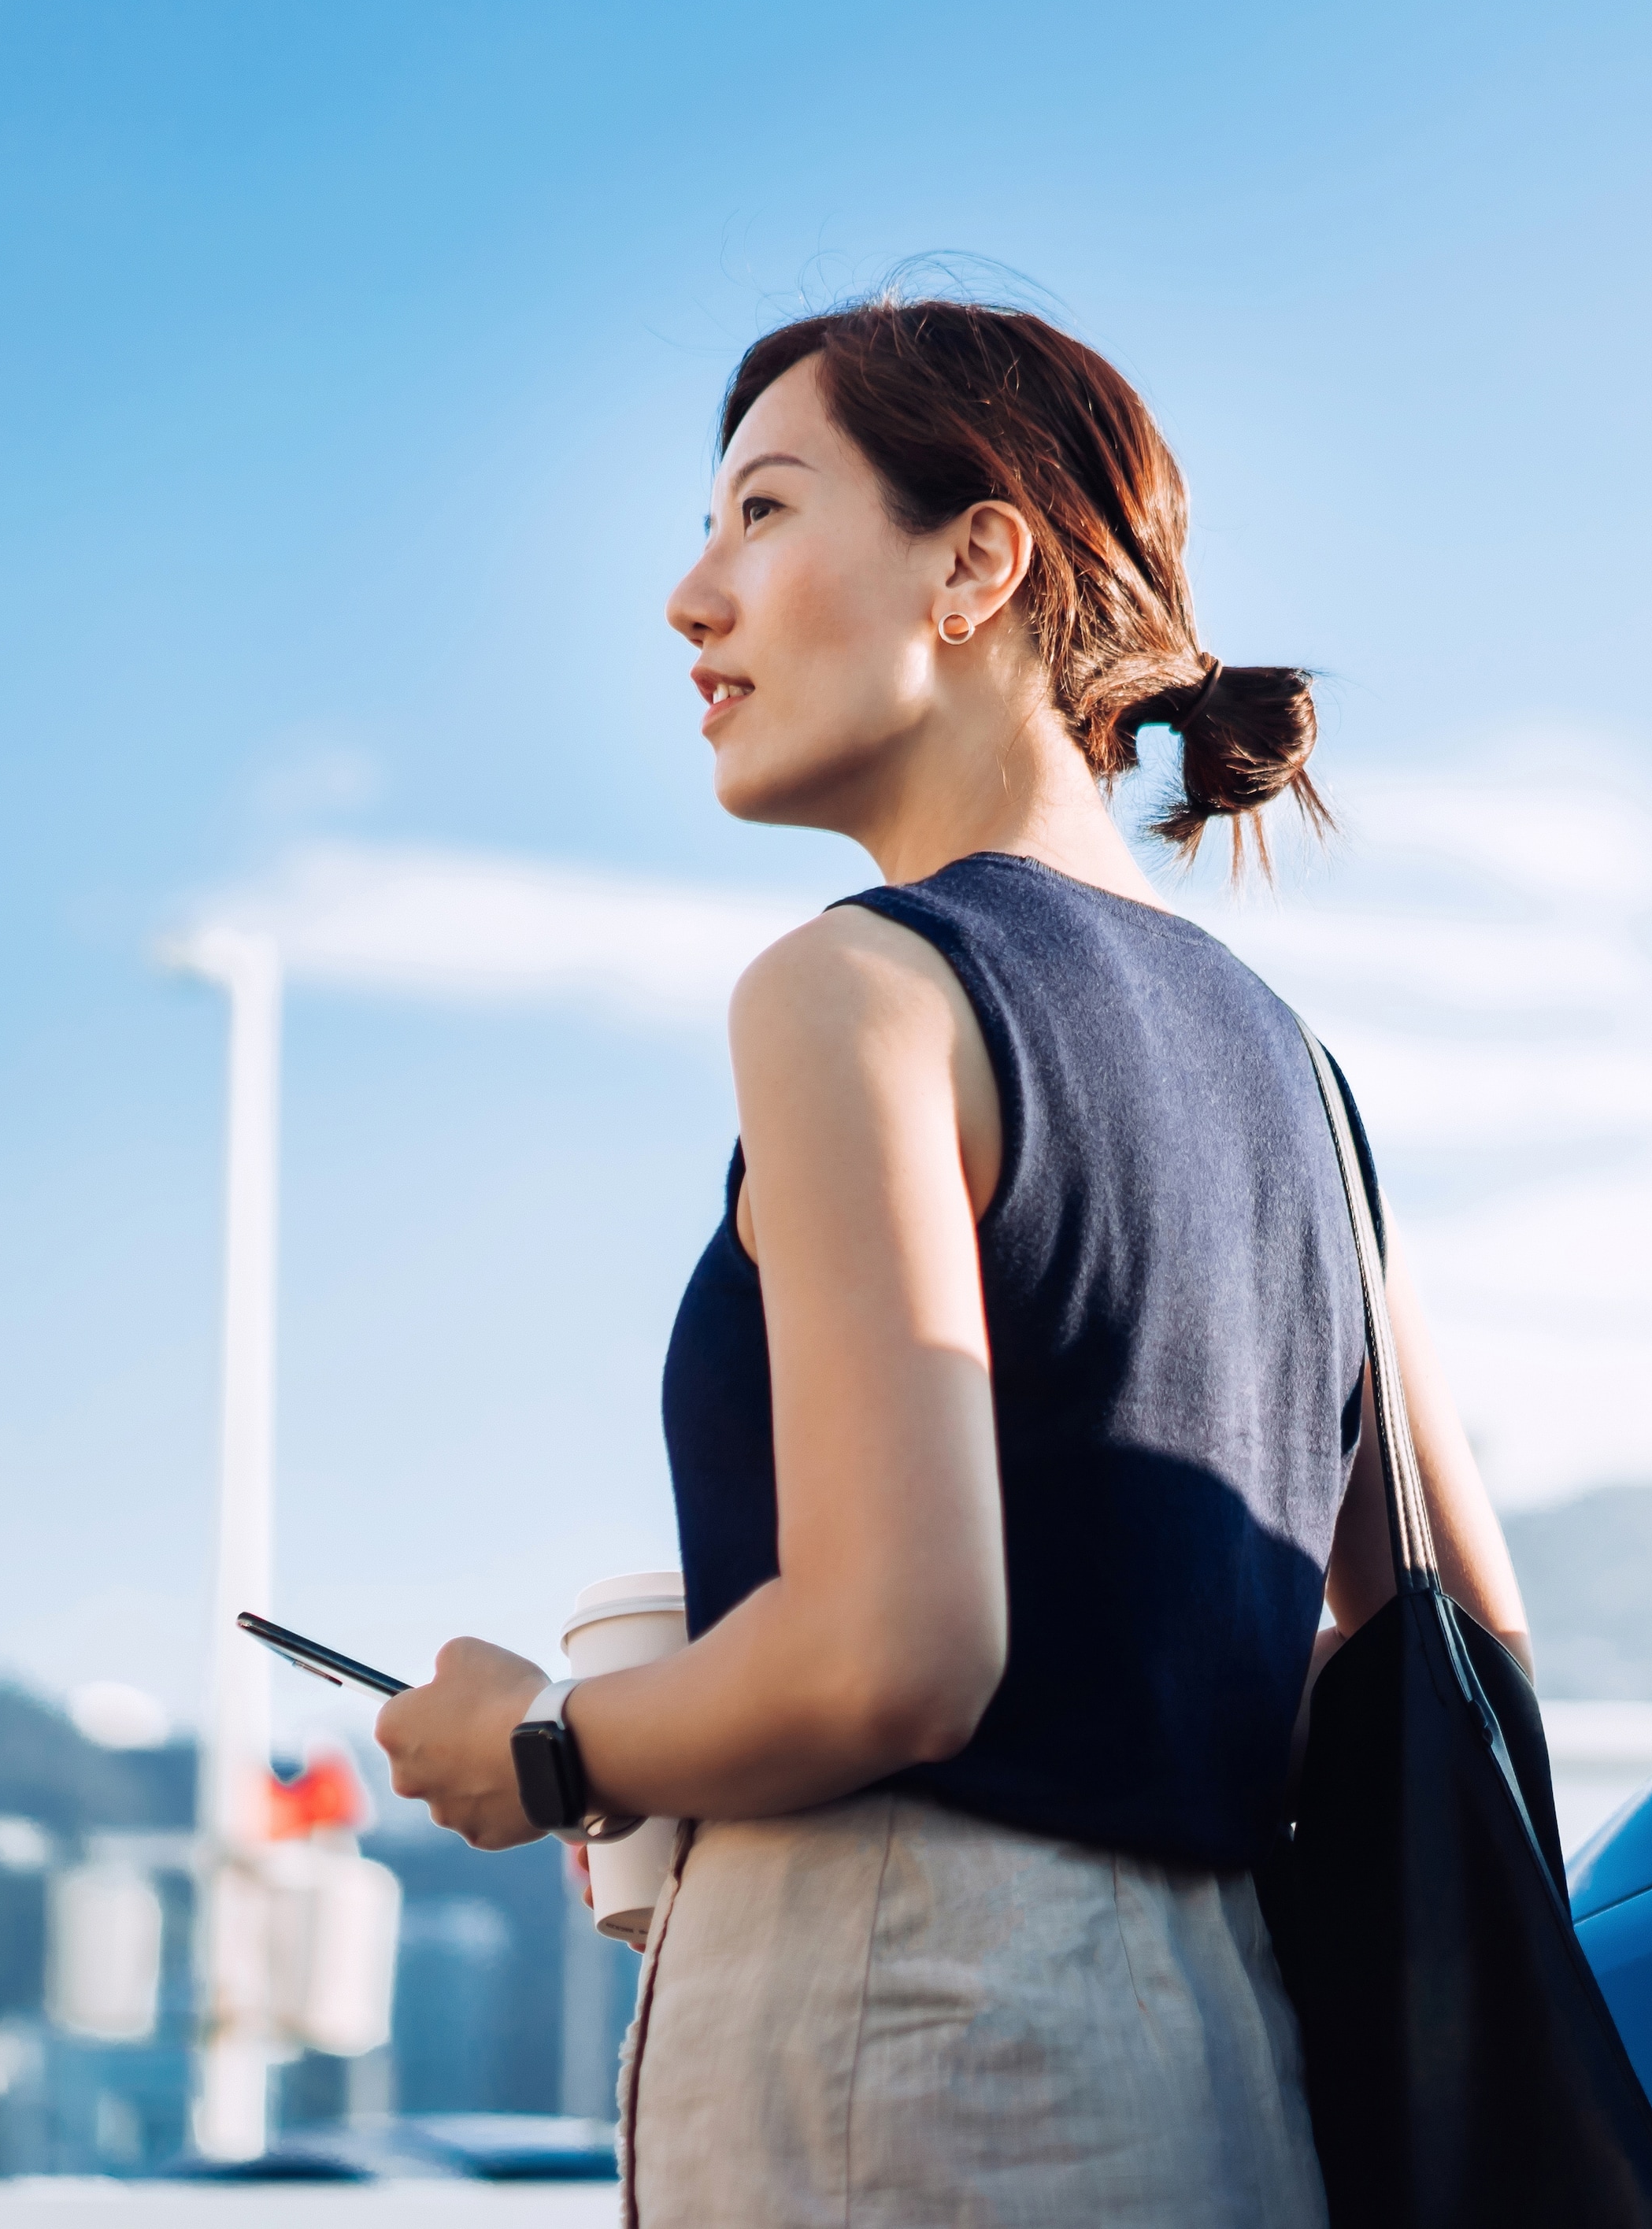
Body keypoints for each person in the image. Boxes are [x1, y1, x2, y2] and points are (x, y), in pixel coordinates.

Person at [376, 295, 1531, 2228]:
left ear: (976, 559)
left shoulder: (861, 988)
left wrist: (552, 1742)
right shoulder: (1297, 1076)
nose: (688, 596)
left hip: (900, 2029)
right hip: (1236, 2057)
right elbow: (1464, 1646)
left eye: (761, 509)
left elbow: (892, 1650)